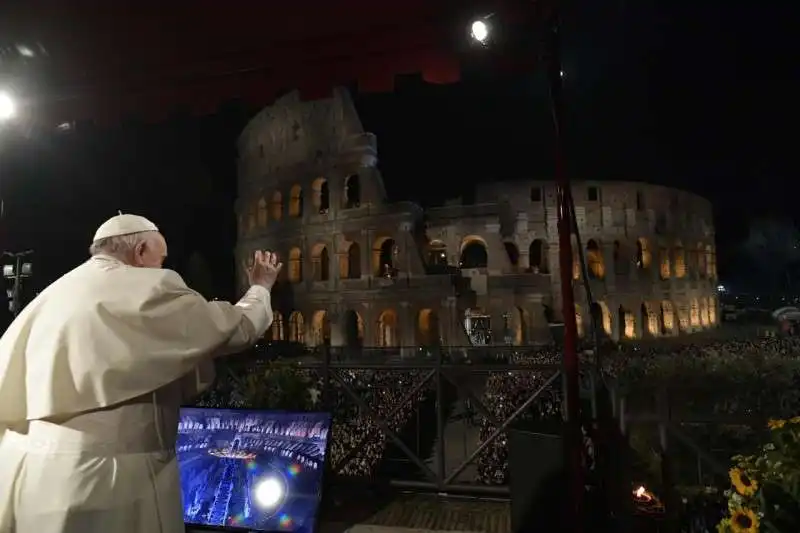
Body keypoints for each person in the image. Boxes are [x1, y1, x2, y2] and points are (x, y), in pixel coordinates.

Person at [0, 213, 282, 533]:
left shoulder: (54, 293)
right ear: (141, 251)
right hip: (111, 480)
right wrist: (260, 288)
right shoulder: (151, 286)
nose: (161, 267)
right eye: (160, 259)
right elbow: (233, 328)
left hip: (26, 474)